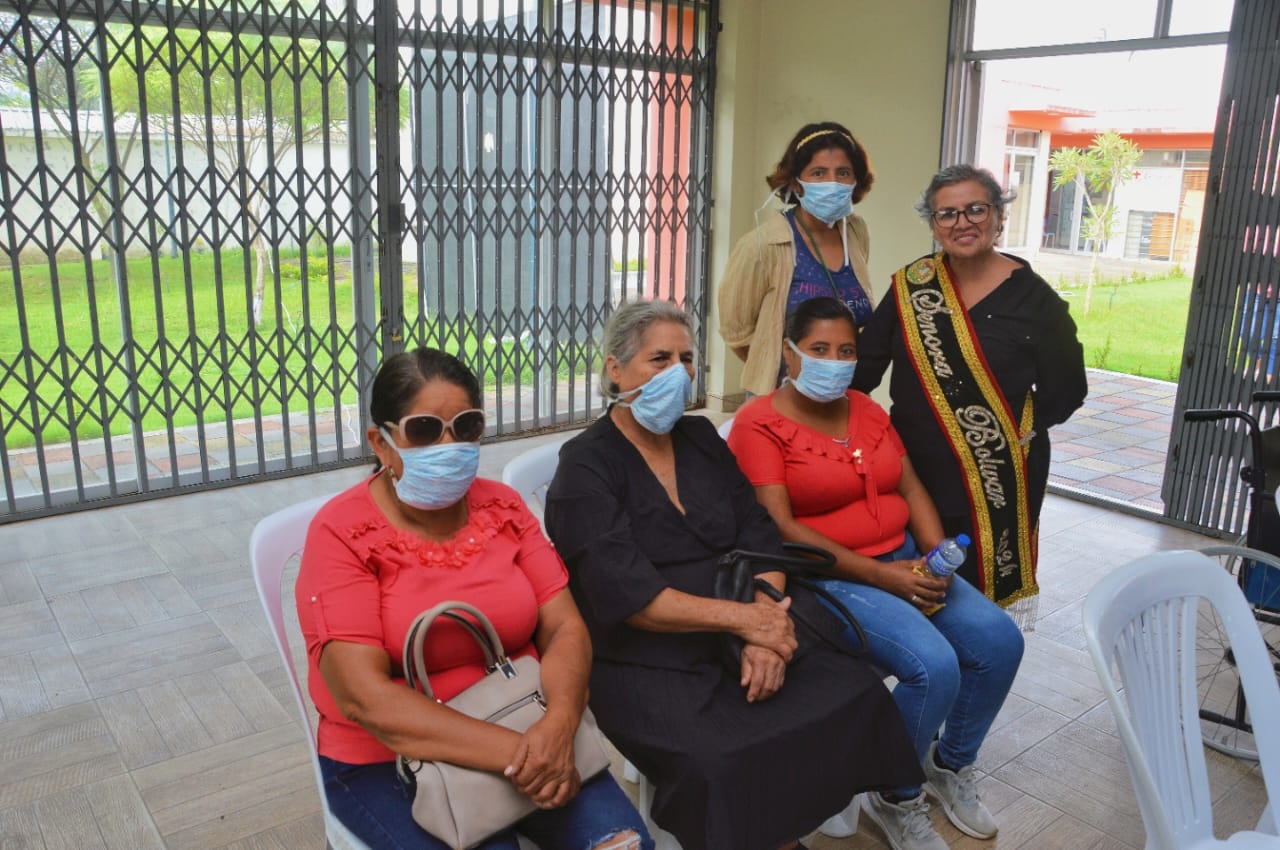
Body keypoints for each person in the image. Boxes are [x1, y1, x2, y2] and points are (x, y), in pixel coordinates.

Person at [545, 299, 921, 850]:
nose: (678, 373)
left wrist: (765, 625)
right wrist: (748, 622)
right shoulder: (584, 467)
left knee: (854, 696)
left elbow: (759, 533)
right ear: (615, 369)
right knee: (719, 759)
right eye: (659, 359)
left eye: (686, 359)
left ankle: (783, 830)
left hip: (746, 614)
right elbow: (631, 596)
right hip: (649, 653)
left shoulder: (700, 438)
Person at [294, 347, 651, 850]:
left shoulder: (502, 508)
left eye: (466, 426)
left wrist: (559, 723)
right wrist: (522, 754)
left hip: (527, 720)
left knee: (623, 844)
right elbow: (363, 697)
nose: (449, 444)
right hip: (390, 759)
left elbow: (565, 627)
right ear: (381, 442)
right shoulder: (342, 534)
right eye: (424, 430)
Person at [728, 296, 1024, 850]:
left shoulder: (866, 409)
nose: (834, 362)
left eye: (846, 351)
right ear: (789, 353)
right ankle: (896, 792)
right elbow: (780, 526)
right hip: (831, 579)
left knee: (1000, 641)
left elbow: (908, 485)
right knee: (933, 666)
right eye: (819, 349)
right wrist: (885, 577)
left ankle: (950, 763)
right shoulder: (758, 423)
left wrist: (935, 558)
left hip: (906, 560)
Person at [853, 164, 1088, 626]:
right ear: (933, 224)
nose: (962, 223)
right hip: (913, 469)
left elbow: (1067, 389)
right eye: (947, 214)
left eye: (976, 210)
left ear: (999, 216)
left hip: (995, 471)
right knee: (913, 576)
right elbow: (865, 366)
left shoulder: (1036, 302)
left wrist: (1009, 430)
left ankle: (977, 654)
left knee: (976, 591)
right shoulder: (913, 286)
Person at [718, 121, 877, 397]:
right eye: (818, 173)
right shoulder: (762, 245)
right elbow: (737, 334)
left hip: (845, 395)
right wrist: (791, 372)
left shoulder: (855, 232)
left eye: (843, 173)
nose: (832, 183)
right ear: (795, 182)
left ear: (856, 181)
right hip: (782, 397)